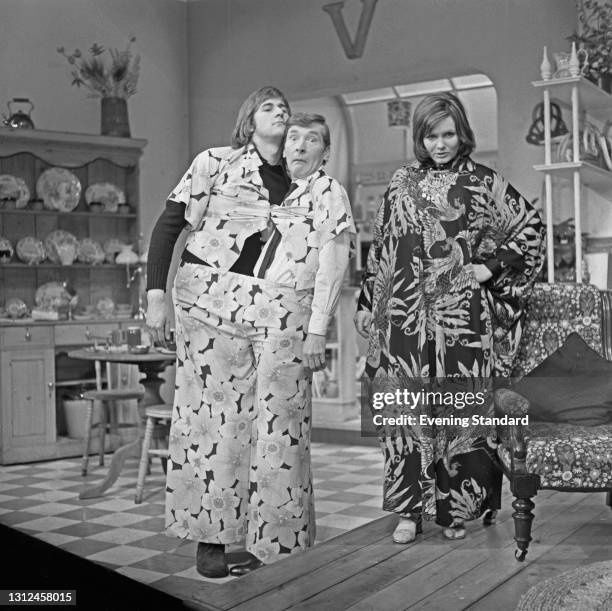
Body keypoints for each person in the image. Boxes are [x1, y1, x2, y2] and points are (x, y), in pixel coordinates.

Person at [146, 95, 355, 578]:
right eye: (268, 106)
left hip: (280, 312)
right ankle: (212, 540)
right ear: (248, 120)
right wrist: (156, 293)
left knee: (281, 428)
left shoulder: (311, 185)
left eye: (286, 107)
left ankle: (279, 545)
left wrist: (317, 328)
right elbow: (170, 225)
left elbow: (330, 259)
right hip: (208, 304)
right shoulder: (214, 163)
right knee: (213, 423)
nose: (281, 112)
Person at [354, 92, 545, 543]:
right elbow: (381, 246)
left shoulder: (483, 181)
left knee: (462, 414)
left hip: (463, 323)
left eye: (448, 134)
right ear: (419, 138)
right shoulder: (400, 182)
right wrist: (367, 303)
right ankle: (407, 511)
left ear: (462, 133)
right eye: (430, 135)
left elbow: (530, 227)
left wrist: (491, 265)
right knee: (404, 413)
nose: (440, 144)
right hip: (403, 321)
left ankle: (455, 510)